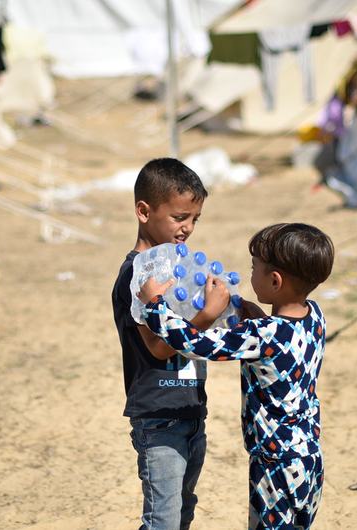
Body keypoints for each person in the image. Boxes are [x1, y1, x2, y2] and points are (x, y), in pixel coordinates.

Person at [137, 223, 334, 529]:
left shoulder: (262, 334)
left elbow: (195, 344)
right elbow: (283, 344)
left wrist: (155, 305)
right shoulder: (315, 315)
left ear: (275, 280)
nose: (250, 273)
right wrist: (261, 317)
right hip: (308, 455)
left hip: (275, 464)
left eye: (254, 267)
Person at [111, 158, 215, 530]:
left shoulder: (177, 270)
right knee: (163, 521)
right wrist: (204, 318)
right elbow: (158, 346)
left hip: (189, 408)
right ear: (143, 211)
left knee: (182, 512)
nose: (187, 228)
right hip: (158, 418)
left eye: (194, 219)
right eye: (179, 217)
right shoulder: (136, 275)